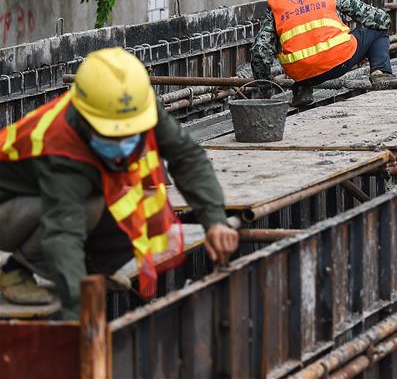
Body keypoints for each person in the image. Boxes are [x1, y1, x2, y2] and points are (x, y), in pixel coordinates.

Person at [0, 48, 238, 319]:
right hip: (10, 207)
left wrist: (215, 219)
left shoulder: (140, 108)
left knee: (140, 211)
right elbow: (63, 234)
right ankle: (15, 271)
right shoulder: (60, 145)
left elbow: (186, 155)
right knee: (89, 207)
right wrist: (80, 315)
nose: (123, 144)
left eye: (130, 133)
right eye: (112, 135)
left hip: (41, 199)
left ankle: (91, 270)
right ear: (88, 121)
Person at [251, 0, 397, 107]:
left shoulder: (276, 5)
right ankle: (380, 73)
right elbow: (379, 19)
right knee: (378, 31)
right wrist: (366, 49)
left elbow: (260, 52)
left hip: (300, 73)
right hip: (339, 61)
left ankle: (302, 89)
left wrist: (265, 90)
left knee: (300, 52)